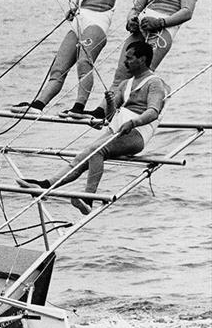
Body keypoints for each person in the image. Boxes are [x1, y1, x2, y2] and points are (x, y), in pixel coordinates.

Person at [18, 41, 167, 214]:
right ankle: (46, 185)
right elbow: (110, 117)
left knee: (97, 151)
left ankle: (89, 198)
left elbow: (153, 111)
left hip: (137, 133)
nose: (125, 62)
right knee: (83, 156)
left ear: (142, 59)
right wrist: (111, 103)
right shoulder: (125, 84)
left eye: (129, 58)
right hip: (118, 129)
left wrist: (133, 122)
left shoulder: (154, 83)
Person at [84, 0, 197, 119]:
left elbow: (186, 12)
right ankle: (102, 110)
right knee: (121, 74)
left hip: (161, 33)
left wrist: (159, 22)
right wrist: (131, 20)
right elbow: (136, 8)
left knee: (140, 75)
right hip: (140, 31)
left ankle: (134, 114)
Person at [11, 0, 117, 118]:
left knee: (84, 63)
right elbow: (81, 5)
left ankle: (78, 107)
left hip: (96, 25)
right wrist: (73, 9)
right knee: (58, 69)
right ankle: (38, 104)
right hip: (78, 25)